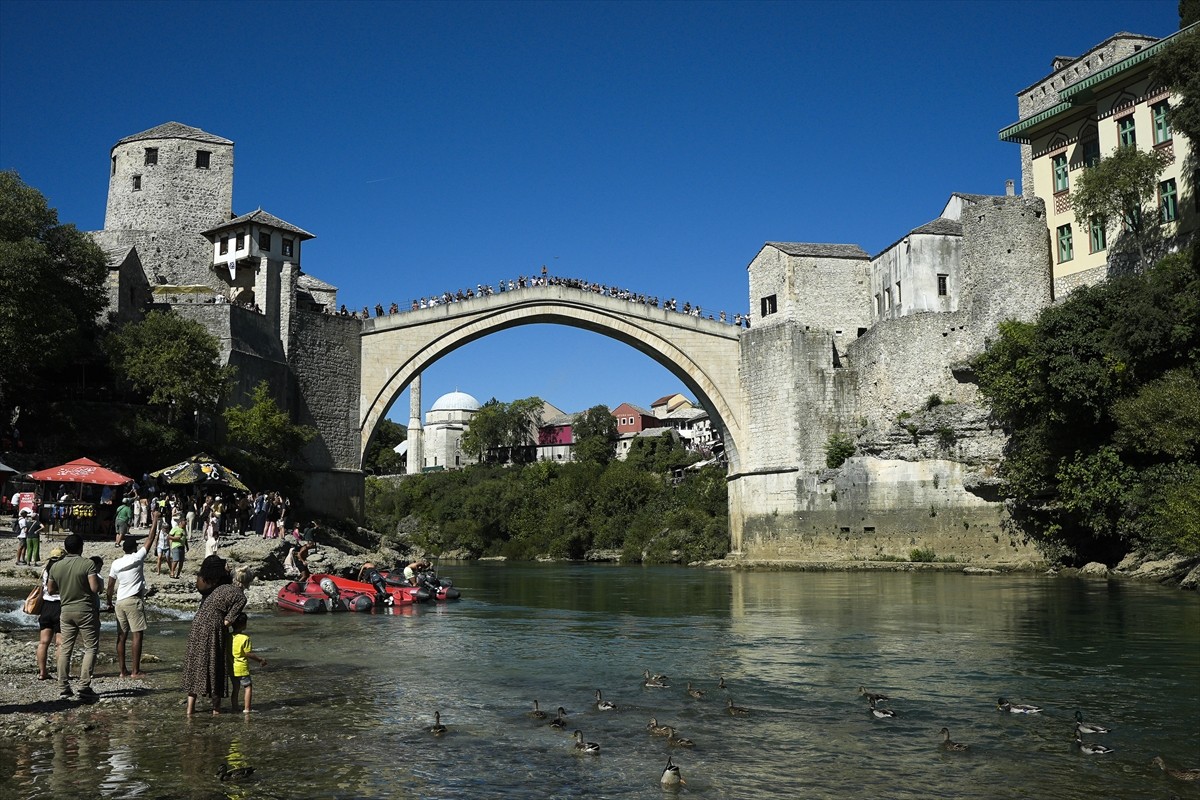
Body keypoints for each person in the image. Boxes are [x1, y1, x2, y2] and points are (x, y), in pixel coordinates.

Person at [183, 555, 247, 715]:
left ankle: (190, 711)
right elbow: (228, 620)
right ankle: (216, 710)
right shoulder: (240, 597)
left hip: (198, 620)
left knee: (196, 662)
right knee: (215, 664)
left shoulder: (218, 588)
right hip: (214, 625)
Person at [47, 534, 102, 700]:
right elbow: (94, 588)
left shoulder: (56, 566)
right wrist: (100, 585)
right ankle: (84, 685)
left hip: (65, 610)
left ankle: (63, 685)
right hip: (85, 610)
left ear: (66, 548)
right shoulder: (87, 564)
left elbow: (50, 590)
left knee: (65, 648)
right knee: (90, 647)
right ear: (81, 547)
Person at [105, 532, 153, 677]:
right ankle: (135, 671)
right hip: (133, 600)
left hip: (120, 602)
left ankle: (122, 671)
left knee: (121, 636)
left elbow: (110, 586)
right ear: (135, 548)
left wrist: (108, 602)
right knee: (137, 636)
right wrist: (156, 519)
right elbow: (150, 539)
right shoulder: (137, 557)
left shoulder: (116, 563)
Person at [36, 547, 65, 680]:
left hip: (46, 606)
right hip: (60, 606)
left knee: (43, 642)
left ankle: (42, 672)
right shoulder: (63, 570)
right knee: (60, 643)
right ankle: (60, 674)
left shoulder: (45, 570)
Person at [229, 612, 267, 713]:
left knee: (235, 688)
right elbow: (248, 653)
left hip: (231, 667)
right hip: (241, 668)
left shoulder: (228, 637)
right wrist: (260, 659)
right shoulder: (245, 638)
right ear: (244, 625)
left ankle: (234, 708)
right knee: (248, 686)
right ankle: (247, 709)